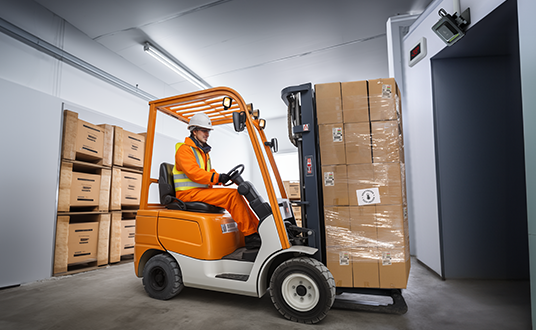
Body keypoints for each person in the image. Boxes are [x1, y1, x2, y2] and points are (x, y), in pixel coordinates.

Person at [174, 113, 261, 249]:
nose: (207, 134)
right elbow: (194, 173)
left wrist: (222, 177)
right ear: (194, 131)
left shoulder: (203, 152)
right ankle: (250, 237)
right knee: (232, 196)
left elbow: (209, 172)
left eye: (208, 131)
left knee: (238, 194)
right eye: (204, 130)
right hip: (188, 194)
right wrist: (217, 178)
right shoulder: (184, 150)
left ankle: (258, 229)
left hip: (200, 191)